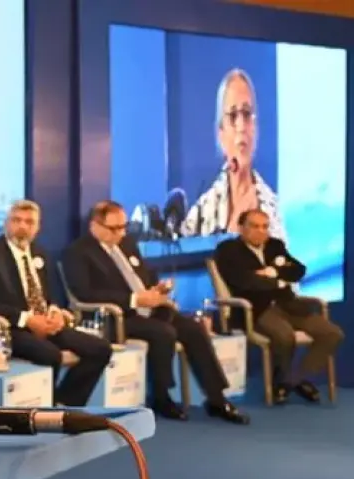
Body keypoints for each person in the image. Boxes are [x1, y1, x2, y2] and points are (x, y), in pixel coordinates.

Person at [63, 201, 249, 424]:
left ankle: (217, 398)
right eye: (114, 228)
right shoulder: (78, 252)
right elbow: (84, 293)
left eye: (124, 227)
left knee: (193, 329)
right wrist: (134, 299)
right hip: (115, 317)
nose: (121, 233)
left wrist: (157, 290)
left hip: (148, 308)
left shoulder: (127, 244)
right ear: (95, 225)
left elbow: (144, 275)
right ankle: (162, 396)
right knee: (163, 332)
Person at [0, 200, 112, 407]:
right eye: (16, 220)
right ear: (6, 223)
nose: (22, 226)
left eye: (29, 222)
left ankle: (65, 402)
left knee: (100, 349)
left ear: (38, 227)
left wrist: (55, 312)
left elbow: (50, 295)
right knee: (50, 354)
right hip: (7, 328)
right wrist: (27, 320)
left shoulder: (40, 253)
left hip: (43, 324)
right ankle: (46, 412)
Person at [213, 209, 343, 404]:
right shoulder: (228, 250)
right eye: (254, 226)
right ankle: (282, 382)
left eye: (265, 227)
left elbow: (298, 271)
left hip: (288, 304)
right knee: (284, 336)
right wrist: (280, 280)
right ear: (241, 228)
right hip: (256, 309)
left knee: (332, 333)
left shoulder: (275, 246)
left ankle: (292, 380)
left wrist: (271, 273)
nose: (261, 231)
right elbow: (244, 282)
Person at [180, 69, 286, 240]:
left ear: (255, 128)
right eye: (233, 115)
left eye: (247, 114)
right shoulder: (202, 213)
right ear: (221, 133)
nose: (241, 126)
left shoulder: (271, 209)